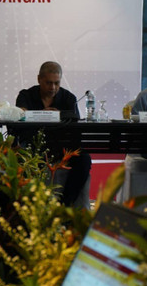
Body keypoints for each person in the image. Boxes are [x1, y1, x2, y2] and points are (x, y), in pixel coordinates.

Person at [15, 61, 91, 207]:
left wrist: (60, 116)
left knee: (84, 160)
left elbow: (75, 128)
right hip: (32, 145)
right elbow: (20, 115)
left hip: (61, 146)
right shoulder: (26, 95)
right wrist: (43, 114)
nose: (53, 88)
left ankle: (64, 204)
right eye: (48, 83)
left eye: (57, 83)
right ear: (39, 79)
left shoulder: (69, 98)